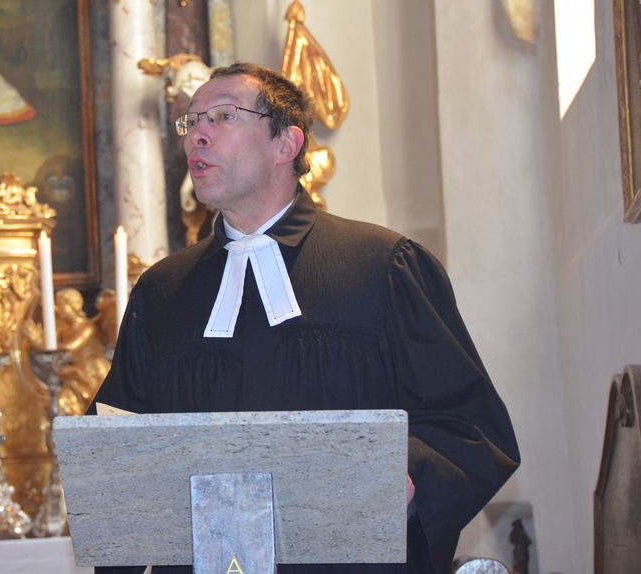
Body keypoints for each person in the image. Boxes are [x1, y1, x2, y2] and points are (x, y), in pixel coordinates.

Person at [91, 63, 519, 574]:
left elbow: (469, 428)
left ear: (286, 143)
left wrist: (403, 477)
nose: (196, 136)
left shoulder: (382, 266)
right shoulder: (162, 291)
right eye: (192, 121)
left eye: (223, 116)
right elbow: (115, 451)